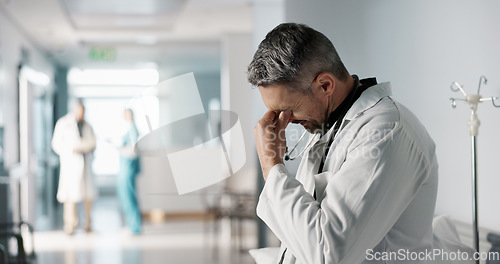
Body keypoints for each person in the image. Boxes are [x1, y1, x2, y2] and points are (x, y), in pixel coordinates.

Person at [248, 23, 438, 263]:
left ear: (325, 85)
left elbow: (330, 254)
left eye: (288, 110)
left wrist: (270, 163)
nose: (285, 121)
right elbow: (303, 232)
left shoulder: (386, 132)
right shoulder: (329, 126)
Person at [52, 100, 96, 235]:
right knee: (70, 197)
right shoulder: (63, 123)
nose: (81, 113)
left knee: (87, 196)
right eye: (79, 110)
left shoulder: (88, 126)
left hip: (85, 165)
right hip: (71, 165)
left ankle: (87, 225)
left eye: (83, 111)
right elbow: (56, 144)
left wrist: (83, 147)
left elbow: (92, 143)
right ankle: (70, 226)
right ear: (74, 110)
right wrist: (71, 149)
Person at [115, 108, 142, 235]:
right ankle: (131, 225)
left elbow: (133, 150)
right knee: (125, 196)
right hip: (124, 168)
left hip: (128, 168)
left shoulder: (132, 129)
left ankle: (135, 227)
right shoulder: (127, 129)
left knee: (129, 196)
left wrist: (120, 148)